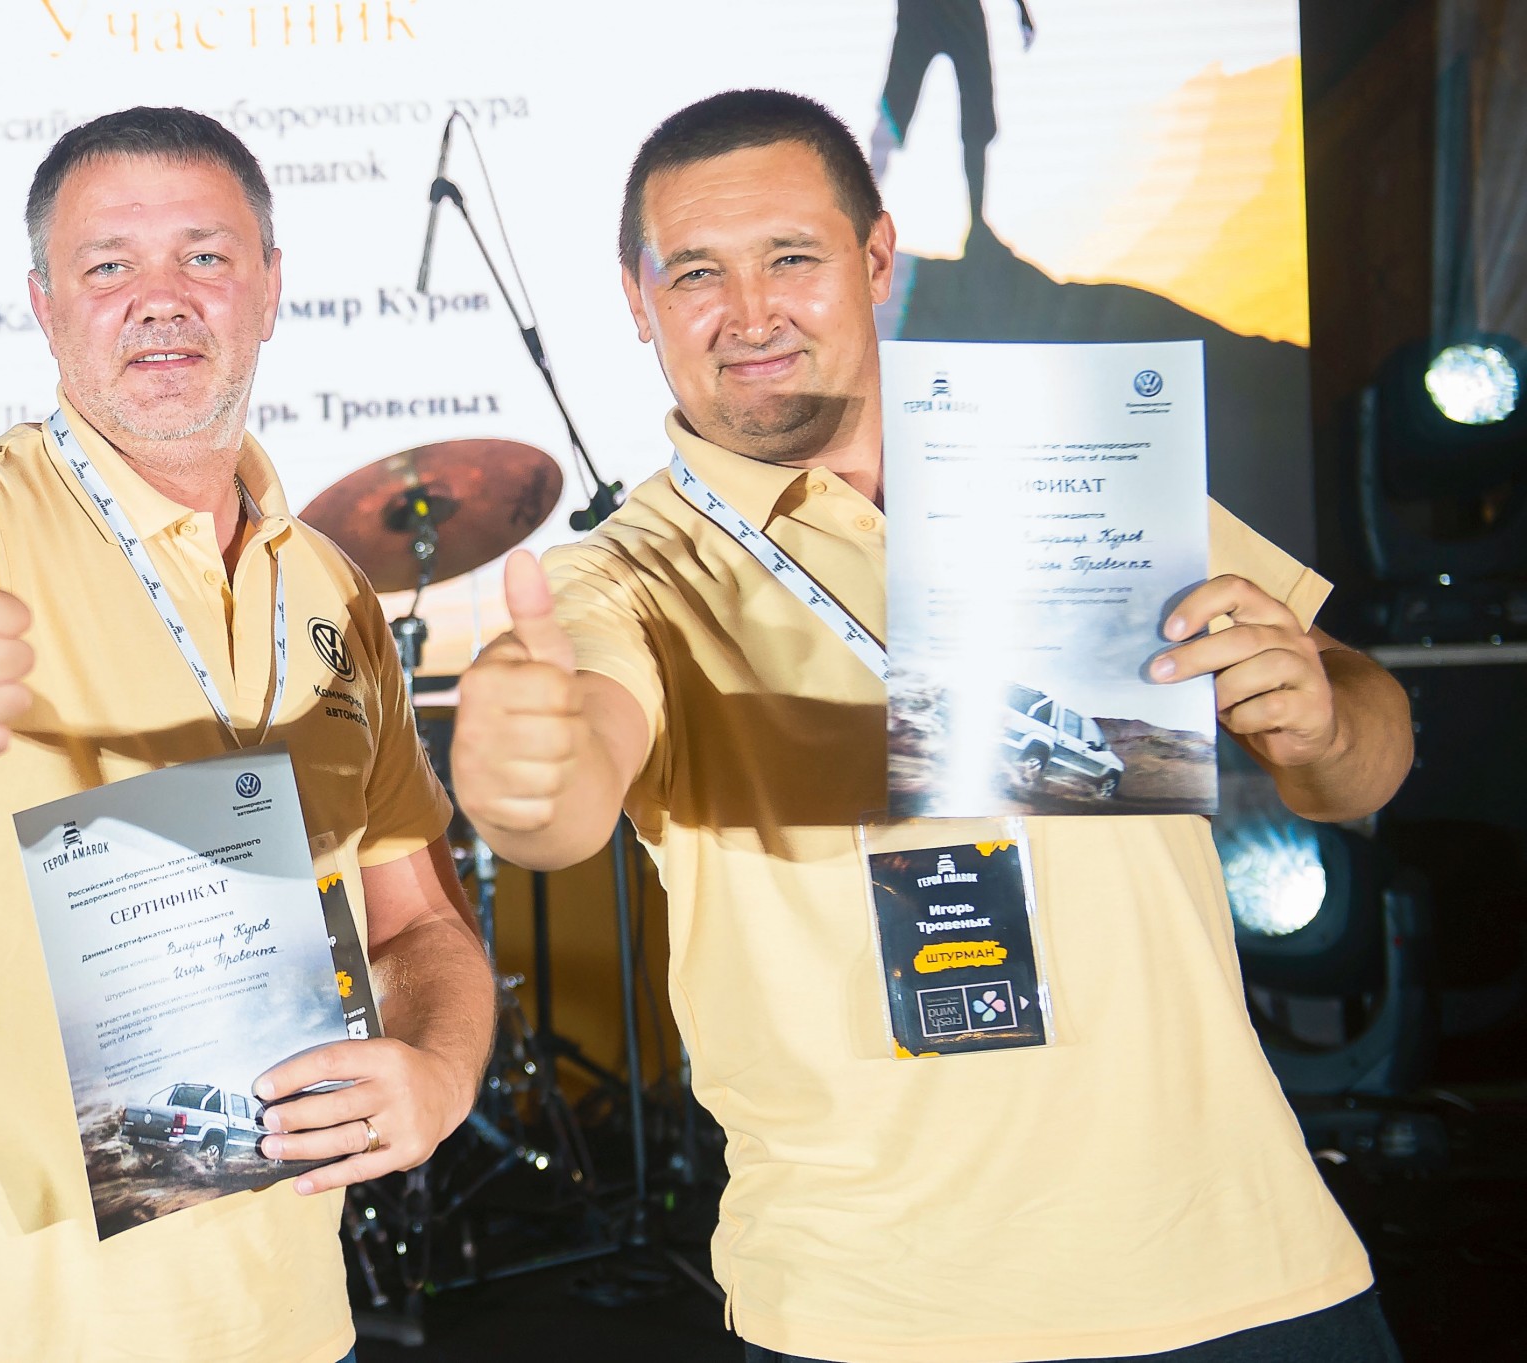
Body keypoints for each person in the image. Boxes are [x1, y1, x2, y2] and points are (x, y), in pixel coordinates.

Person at [451, 89, 1413, 1363]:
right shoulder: (621, 578)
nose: (748, 312)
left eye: (790, 257)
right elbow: (566, 789)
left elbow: (1360, 754)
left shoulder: (1077, 465)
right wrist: (524, 777)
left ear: (875, 259)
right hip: (876, 1308)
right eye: (694, 272)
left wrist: (1320, 723)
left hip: (1240, 1265)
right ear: (637, 301)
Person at [0, 107, 494, 1363]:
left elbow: (416, 922)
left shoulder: (331, 590)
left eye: (205, 255)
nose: (161, 298)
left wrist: (439, 1068)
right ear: (43, 305)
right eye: (107, 265)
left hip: (285, 1321)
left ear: (269, 288)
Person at [866, 0, 1035, 248]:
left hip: (955, 12)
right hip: (924, 12)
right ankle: (863, 212)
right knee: (893, 110)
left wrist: (1021, 9)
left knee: (975, 114)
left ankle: (977, 221)